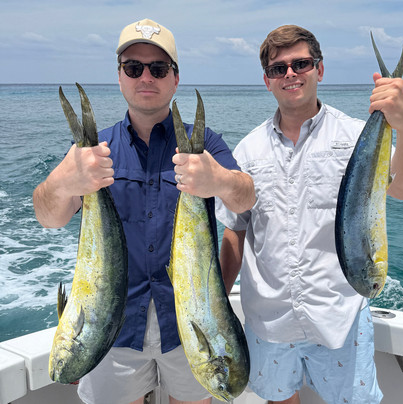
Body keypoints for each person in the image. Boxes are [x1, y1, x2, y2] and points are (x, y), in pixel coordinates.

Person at [33, 18, 255, 404]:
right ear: (119, 76)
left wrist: (218, 179)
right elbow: (48, 217)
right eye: (134, 67)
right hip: (111, 327)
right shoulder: (93, 151)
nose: (146, 77)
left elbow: (244, 199)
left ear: (175, 78)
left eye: (159, 68)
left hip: (188, 326)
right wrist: (62, 183)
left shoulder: (204, 146)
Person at [217, 25, 403, 404]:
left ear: (320, 70)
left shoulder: (354, 136)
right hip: (269, 322)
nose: (290, 74)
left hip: (340, 320)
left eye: (301, 64)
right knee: (280, 399)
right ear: (267, 80)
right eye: (278, 68)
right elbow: (235, 231)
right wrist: (217, 306)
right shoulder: (247, 150)